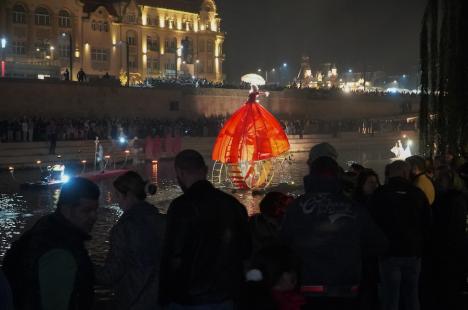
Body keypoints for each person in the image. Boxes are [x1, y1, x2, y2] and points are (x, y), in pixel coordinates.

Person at [281, 144, 387, 310]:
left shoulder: (297, 207)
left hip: (309, 288)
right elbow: (379, 243)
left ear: (310, 169)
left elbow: (283, 244)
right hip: (346, 288)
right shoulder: (353, 207)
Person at [159, 149, 251, 309]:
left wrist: (164, 296)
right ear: (206, 170)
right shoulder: (233, 205)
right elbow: (246, 250)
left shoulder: (181, 206)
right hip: (226, 295)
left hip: (189, 298)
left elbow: (174, 254)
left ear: (179, 172)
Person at [2, 178, 100, 310]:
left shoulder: (45, 227)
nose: (94, 216)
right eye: (87, 211)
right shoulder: (60, 252)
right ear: (66, 208)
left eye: (95, 210)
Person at [95, 171, 165, 310]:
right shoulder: (163, 221)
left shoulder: (123, 228)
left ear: (128, 195)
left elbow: (111, 274)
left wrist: (84, 269)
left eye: (118, 195)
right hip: (162, 300)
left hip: (133, 300)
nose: (117, 200)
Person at [370, 161, 431, 310]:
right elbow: (428, 222)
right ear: (406, 173)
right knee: (412, 295)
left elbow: (371, 223)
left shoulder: (379, 194)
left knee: (390, 297)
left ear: (389, 173)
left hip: (388, 253)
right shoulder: (417, 193)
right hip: (412, 252)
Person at [423, 165, 468, 310]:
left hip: (448, 247)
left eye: (441, 181)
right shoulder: (458, 199)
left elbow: (448, 224)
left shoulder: (449, 200)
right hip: (455, 246)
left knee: (448, 283)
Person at [240, 245, 305, 310]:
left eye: (293, 268)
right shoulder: (260, 303)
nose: (293, 274)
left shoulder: (294, 298)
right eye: (286, 270)